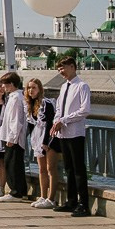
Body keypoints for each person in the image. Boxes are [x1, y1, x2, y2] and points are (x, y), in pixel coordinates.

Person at [52, 56, 92, 216]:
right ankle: (71, 201)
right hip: (63, 133)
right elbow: (58, 107)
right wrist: (57, 120)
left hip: (75, 133)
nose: (61, 71)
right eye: (59, 69)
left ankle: (83, 203)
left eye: (63, 68)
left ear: (72, 67)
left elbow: (85, 110)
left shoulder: (82, 86)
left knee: (78, 169)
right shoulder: (64, 87)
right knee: (68, 168)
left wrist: (64, 120)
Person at [26, 78, 57, 209]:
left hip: (49, 139)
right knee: (42, 169)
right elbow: (31, 125)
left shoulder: (46, 103)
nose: (30, 90)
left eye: (33, 88)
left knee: (51, 169)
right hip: (37, 139)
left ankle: (51, 198)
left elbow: (49, 122)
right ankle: (43, 196)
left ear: (39, 89)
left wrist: (45, 142)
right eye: (29, 88)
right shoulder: (31, 105)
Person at [0, 71, 28, 201]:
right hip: (11, 136)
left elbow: (16, 120)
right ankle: (21, 190)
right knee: (15, 163)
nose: (3, 87)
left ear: (11, 84)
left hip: (13, 138)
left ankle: (16, 191)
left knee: (12, 163)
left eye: (4, 84)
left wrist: (12, 138)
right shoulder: (15, 97)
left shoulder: (16, 98)